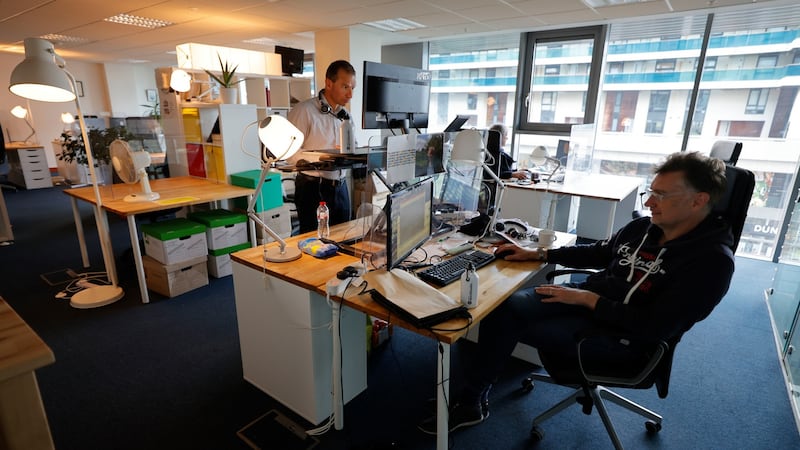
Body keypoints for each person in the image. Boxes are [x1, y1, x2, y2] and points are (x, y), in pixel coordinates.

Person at [419, 151, 733, 434]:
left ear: (698, 200)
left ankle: (472, 399)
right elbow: (601, 252)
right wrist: (539, 254)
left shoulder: (710, 262)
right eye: (650, 192)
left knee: (506, 320)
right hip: (590, 302)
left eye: (661, 195)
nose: (650, 202)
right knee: (505, 305)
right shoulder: (645, 228)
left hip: (623, 339)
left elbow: (655, 327)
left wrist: (589, 300)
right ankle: (475, 390)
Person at [286, 60, 357, 233]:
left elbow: (354, 145)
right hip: (312, 188)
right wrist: (323, 159)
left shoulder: (345, 115)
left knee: (343, 238)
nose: (350, 95)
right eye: (345, 87)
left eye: (352, 88)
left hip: (340, 187)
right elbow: (289, 152)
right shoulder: (304, 111)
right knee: (314, 243)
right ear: (328, 83)